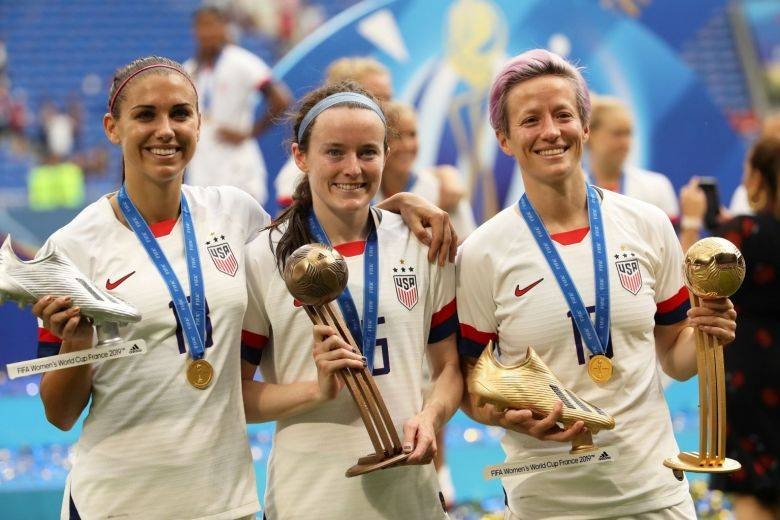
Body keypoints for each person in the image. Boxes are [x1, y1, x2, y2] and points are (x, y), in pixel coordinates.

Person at [30, 56, 455, 520]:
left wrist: (397, 206)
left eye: (180, 114)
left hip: (223, 500)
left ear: (200, 122)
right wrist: (78, 342)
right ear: (113, 128)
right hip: (116, 501)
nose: (166, 130)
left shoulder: (234, 215)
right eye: (145, 115)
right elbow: (60, 413)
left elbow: (326, 220)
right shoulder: (71, 248)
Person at [456, 48, 738, 519]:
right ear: (504, 139)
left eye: (563, 114)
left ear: (585, 126)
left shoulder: (647, 225)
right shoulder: (483, 253)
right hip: (547, 503)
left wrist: (710, 335)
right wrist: (505, 415)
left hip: (654, 494)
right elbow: (469, 387)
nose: (550, 131)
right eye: (530, 120)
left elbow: (675, 357)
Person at [241, 82, 462, 519]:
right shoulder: (265, 256)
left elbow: (450, 369)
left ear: (386, 153)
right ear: (300, 156)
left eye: (367, 152)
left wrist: (431, 416)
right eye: (334, 152)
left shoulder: (420, 243)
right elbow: (238, 396)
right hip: (308, 501)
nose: (353, 168)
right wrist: (315, 390)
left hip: (411, 498)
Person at [685, 135, 780, 520]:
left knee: (753, 491)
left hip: (751, 376)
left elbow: (692, 278)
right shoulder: (740, 230)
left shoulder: (743, 233)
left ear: (756, 178)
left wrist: (693, 221)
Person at [184, 6, 292, 204]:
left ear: (224, 28)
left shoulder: (241, 61)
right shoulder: (189, 70)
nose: (206, 32)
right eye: (201, 26)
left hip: (237, 163)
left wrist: (249, 133)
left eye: (212, 25)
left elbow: (281, 99)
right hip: (202, 164)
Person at [381, 100, 476, 242]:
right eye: (396, 136)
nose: (407, 145)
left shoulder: (442, 190)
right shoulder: (367, 195)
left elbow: (468, 247)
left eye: (412, 134)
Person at [586, 95, 679, 220]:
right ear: (591, 135)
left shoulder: (657, 186)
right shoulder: (571, 191)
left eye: (628, 134)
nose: (625, 143)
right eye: (617, 134)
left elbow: (670, 240)